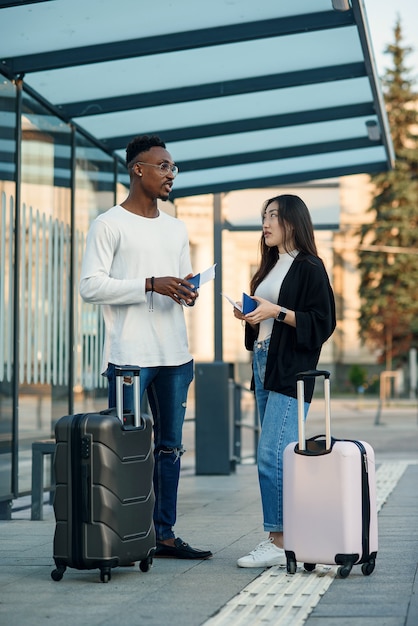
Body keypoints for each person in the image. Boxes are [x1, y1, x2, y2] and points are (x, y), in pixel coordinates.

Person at [79, 134, 212, 560]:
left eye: (174, 167)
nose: (171, 174)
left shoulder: (177, 227)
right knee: (124, 448)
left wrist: (187, 291)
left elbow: (183, 280)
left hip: (176, 356)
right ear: (138, 169)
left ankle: (164, 534)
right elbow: (90, 286)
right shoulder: (108, 224)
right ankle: (123, 535)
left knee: (170, 448)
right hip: (129, 359)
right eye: (163, 166)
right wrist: (150, 284)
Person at [232, 194, 336, 568]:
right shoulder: (269, 267)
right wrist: (252, 315)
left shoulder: (310, 266)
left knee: (271, 455)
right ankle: (288, 536)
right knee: (280, 456)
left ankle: (278, 541)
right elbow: (269, 318)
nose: (266, 223)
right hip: (264, 363)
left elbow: (322, 322)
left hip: (291, 369)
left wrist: (277, 311)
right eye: (264, 216)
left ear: (293, 221)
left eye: (273, 215)